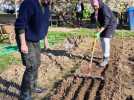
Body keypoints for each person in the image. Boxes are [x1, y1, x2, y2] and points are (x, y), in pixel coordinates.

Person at [15, 0, 50, 99]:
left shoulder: (46, 5)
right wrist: (23, 44)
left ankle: (33, 86)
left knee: (37, 63)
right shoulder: (28, 3)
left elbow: (45, 24)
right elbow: (20, 25)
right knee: (31, 66)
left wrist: (45, 40)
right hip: (25, 38)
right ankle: (25, 95)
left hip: (35, 38)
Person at [89, 0, 117, 67]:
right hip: (102, 24)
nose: (94, 7)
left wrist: (99, 32)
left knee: (105, 39)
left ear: (98, 3)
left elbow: (106, 23)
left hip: (110, 24)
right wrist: (97, 27)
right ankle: (104, 56)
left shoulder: (104, 9)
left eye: (95, 6)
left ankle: (106, 59)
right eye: (93, 6)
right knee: (101, 39)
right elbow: (96, 19)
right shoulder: (96, 8)